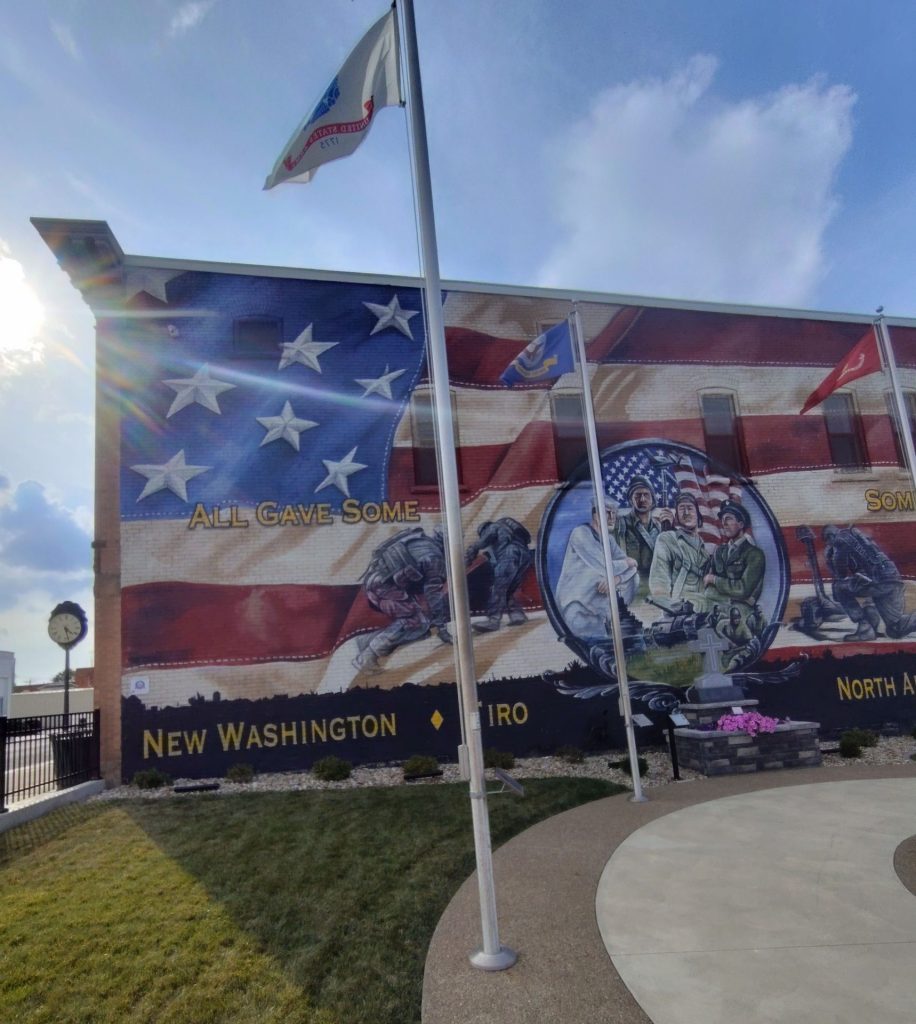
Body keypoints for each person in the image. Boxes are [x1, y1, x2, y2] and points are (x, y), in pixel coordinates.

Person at [353, 527, 451, 673]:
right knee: (417, 622)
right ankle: (366, 657)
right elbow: (434, 595)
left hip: (375, 585)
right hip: (385, 588)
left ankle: (367, 641)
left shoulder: (418, 539)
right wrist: (442, 628)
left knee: (421, 629)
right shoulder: (434, 557)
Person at [556, 496, 638, 638]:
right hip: (577, 607)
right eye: (607, 512)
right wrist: (627, 563)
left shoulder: (609, 540)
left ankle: (615, 616)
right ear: (595, 514)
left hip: (599, 609)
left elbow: (633, 568)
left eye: (614, 513)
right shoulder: (580, 533)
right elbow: (606, 567)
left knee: (634, 578)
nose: (612, 517)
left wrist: (617, 578)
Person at [823, 524, 916, 641]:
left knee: (839, 588)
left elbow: (840, 574)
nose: (828, 545)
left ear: (830, 536)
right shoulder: (857, 535)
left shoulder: (839, 540)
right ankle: (872, 618)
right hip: (893, 580)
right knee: (895, 629)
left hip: (879, 581)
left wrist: (828, 560)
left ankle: (865, 628)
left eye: (827, 542)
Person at [466, 517, 533, 633]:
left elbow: (480, 543)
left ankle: (493, 621)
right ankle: (517, 615)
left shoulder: (493, 527)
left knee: (498, 588)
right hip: (525, 556)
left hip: (509, 555)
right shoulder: (510, 530)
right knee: (510, 589)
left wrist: (469, 557)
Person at [648, 491, 712, 612]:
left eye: (690, 508)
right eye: (682, 509)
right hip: (681, 611)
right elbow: (659, 579)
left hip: (706, 610)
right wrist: (668, 608)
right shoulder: (668, 539)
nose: (686, 513)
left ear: (698, 514)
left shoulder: (705, 552)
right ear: (676, 517)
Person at [703, 500, 765, 608]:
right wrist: (735, 596)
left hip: (742, 615)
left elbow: (742, 590)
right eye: (723, 520)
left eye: (729, 519)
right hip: (717, 611)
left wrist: (715, 580)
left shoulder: (754, 554)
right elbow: (707, 589)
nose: (724, 524)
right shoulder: (719, 551)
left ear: (741, 524)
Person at [615, 476, 674, 582]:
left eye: (646, 495)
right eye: (637, 495)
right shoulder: (620, 525)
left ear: (653, 499)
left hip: (658, 583)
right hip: (630, 582)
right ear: (631, 499)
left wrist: (671, 529)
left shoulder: (661, 527)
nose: (642, 499)